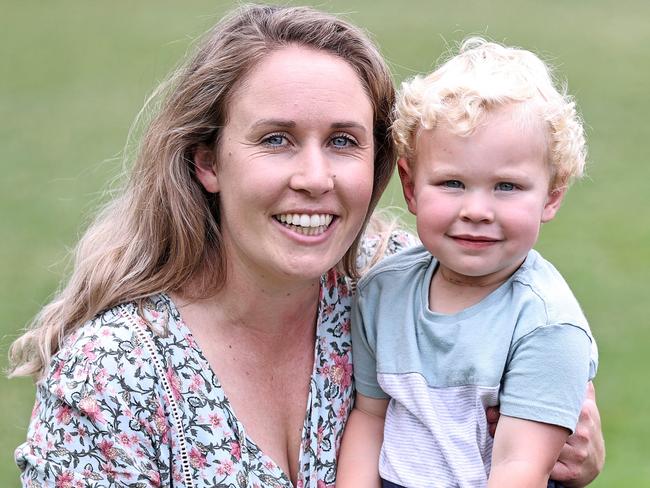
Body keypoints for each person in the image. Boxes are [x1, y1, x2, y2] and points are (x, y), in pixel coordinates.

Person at [9, 6, 603, 488]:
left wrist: (572, 451)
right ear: (208, 161)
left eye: (343, 141)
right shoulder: (114, 378)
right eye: (277, 139)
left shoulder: (393, 278)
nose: (316, 177)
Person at [338, 38, 599, 488]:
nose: (477, 210)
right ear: (411, 186)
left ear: (551, 196)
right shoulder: (382, 291)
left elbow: (521, 468)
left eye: (507, 187)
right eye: (453, 183)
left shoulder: (545, 323)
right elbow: (369, 417)